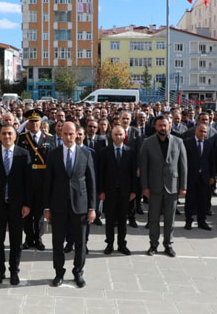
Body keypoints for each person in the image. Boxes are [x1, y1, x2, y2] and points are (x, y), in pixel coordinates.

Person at [43, 122, 95, 288]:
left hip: (80, 205)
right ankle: (59, 273)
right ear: (61, 135)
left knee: (80, 242)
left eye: (72, 134)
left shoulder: (85, 154)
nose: (68, 137)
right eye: (65, 134)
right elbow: (48, 182)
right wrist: (46, 207)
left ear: (78, 134)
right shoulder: (53, 154)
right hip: (58, 205)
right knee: (57, 241)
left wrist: (92, 208)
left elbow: (92, 182)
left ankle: (78, 272)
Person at [0, 124, 32, 286]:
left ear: (15, 136)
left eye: (10, 133)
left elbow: (28, 183)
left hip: (17, 206)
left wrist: (27, 204)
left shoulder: (24, 154)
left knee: (16, 241)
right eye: (4, 134)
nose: (7, 136)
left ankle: (14, 270)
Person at [139, 116, 187, 258]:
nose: (162, 128)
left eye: (165, 125)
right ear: (155, 127)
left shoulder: (178, 142)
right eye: (160, 125)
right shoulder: (148, 143)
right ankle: (153, 244)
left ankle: (168, 244)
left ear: (169, 126)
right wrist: (145, 187)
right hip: (154, 187)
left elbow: (183, 166)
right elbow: (144, 166)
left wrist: (183, 186)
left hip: (172, 186)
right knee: (153, 218)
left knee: (170, 219)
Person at [17, 109, 55, 251]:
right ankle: (28, 238)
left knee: (39, 211)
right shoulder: (21, 138)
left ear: (41, 122)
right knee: (27, 210)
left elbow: (52, 161)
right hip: (27, 179)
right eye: (31, 121)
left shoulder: (49, 138)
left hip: (42, 180)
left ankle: (38, 238)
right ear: (28, 123)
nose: (34, 124)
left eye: (36, 121)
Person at [97, 125, 135, 254]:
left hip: (125, 192)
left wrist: (134, 191)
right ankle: (109, 244)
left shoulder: (130, 151)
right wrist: (101, 191)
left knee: (123, 219)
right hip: (109, 192)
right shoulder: (104, 152)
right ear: (111, 136)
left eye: (120, 134)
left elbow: (133, 173)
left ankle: (122, 244)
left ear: (125, 135)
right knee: (110, 219)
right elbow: (100, 173)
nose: (118, 137)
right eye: (116, 134)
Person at [183, 123, 215, 230]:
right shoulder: (187, 142)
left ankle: (202, 221)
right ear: (196, 131)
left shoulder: (209, 144)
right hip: (190, 177)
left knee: (203, 200)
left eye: (205, 131)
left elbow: (212, 161)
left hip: (204, 177)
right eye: (201, 131)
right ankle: (188, 221)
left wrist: (212, 176)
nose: (202, 133)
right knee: (190, 200)